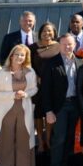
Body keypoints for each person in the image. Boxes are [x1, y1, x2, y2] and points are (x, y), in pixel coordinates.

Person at [0, 44, 37, 166]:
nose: (19, 57)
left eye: (22, 55)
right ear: (11, 56)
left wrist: (26, 94)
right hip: (6, 113)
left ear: (25, 57)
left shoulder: (30, 71)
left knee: (24, 144)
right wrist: (12, 95)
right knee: (5, 145)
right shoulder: (1, 73)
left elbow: (34, 88)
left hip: (24, 110)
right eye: (17, 54)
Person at [42, 34, 80, 166]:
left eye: (70, 44)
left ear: (75, 45)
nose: (67, 47)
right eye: (64, 44)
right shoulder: (51, 63)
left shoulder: (80, 61)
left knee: (69, 138)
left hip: (75, 105)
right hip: (60, 107)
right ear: (59, 45)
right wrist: (48, 111)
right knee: (59, 139)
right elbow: (45, 90)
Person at [30, 22, 59, 152]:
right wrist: (35, 76)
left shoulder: (59, 46)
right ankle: (40, 142)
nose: (47, 33)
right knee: (38, 114)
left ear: (54, 33)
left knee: (50, 113)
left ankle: (48, 140)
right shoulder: (32, 48)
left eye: (50, 31)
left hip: (53, 86)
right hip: (37, 86)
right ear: (40, 33)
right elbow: (27, 65)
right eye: (44, 31)